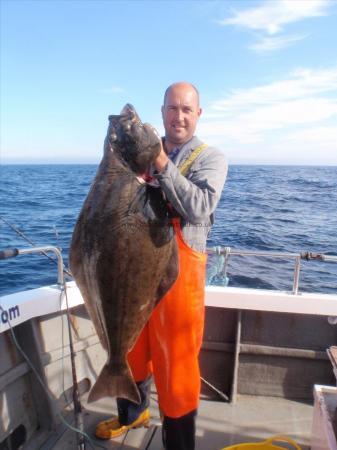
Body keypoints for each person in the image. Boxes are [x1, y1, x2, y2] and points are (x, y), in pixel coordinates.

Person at [95, 82, 228, 449]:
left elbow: (199, 207)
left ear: (198, 114)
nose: (179, 116)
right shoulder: (136, 157)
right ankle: (132, 413)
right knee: (132, 349)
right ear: (163, 112)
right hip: (134, 274)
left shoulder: (209, 158)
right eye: (173, 108)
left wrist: (158, 161)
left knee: (177, 369)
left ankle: (179, 442)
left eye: (187, 109)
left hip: (179, 283)